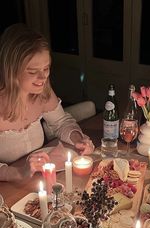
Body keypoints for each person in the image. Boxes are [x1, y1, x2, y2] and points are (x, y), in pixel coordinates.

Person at [0, 23, 95, 182]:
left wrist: (78, 139)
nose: (43, 77)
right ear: (10, 71)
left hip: (39, 180)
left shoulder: (41, 91)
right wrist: (17, 173)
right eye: (32, 71)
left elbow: (60, 122)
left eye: (46, 68)